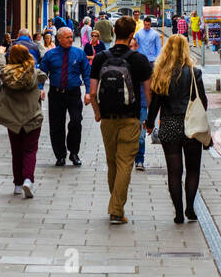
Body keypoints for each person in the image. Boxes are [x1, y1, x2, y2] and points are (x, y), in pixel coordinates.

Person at [89, 16, 152, 224]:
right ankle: (116, 210)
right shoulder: (139, 60)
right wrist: (150, 119)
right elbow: (148, 92)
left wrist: (98, 113)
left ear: (114, 32)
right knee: (125, 163)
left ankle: (116, 205)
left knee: (112, 163)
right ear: (132, 34)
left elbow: (92, 90)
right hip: (130, 118)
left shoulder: (100, 58)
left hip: (107, 119)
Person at [145, 35, 209, 223]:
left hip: (170, 124)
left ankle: (178, 213)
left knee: (174, 171)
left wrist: (149, 124)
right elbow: (202, 102)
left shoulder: (160, 73)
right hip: (191, 126)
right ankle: (190, 208)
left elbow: (155, 104)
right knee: (193, 169)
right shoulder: (194, 72)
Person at [0, 44, 45, 197]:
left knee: (17, 151)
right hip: (32, 117)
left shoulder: (6, 74)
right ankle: (28, 179)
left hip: (13, 119)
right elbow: (44, 73)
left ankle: (17, 184)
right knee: (30, 150)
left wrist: (1, 54)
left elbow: (0, 67)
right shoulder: (34, 73)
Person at [37, 27, 90, 167]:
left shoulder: (79, 53)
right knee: (56, 125)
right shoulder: (50, 55)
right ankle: (60, 155)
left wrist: (89, 92)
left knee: (76, 121)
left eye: (72, 37)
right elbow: (42, 73)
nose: (71, 40)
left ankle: (74, 152)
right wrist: (40, 89)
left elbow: (86, 73)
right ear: (59, 39)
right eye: (67, 37)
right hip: (56, 93)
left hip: (73, 93)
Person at [133, 17, 164, 171]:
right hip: (143, 60)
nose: (146, 25)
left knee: (140, 133)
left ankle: (139, 159)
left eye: (148, 24)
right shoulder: (138, 34)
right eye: (145, 23)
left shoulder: (154, 35)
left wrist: (157, 62)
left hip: (151, 61)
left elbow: (158, 49)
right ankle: (134, 157)